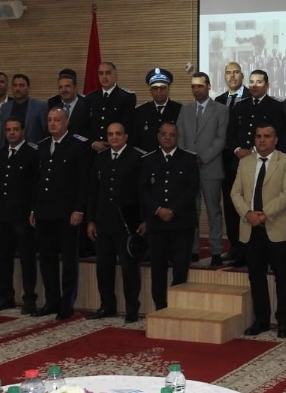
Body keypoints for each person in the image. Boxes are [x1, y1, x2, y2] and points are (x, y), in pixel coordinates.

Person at [231, 124, 286, 337]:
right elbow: (235, 193)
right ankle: (261, 320)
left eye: (267, 136)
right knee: (256, 276)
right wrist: (247, 213)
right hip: (250, 227)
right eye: (258, 136)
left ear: (275, 140)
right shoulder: (245, 162)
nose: (262, 140)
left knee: (283, 276)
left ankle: (283, 321)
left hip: (277, 227)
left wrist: (263, 214)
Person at [223, 69, 286, 267]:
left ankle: (262, 249)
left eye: (259, 82)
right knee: (235, 206)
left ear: (267, 85)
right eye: (251, 82)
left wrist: (254, 152)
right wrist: (237, 150)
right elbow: (230, 133)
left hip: (265, 164)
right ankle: (237, 248)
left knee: (260, 203)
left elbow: (278, 135)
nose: (254, 85)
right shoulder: (239, 106)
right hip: (239, 162)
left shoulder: (276, 106)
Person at [32, 107, 91, 319]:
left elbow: (84, 181)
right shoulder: (42, 146)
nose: (52, 123)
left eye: (57, 120)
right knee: (46, 259)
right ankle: (51, 301)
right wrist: (34, 208)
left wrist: (79, 209)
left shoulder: (78, 145)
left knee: (68, 260)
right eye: (49, 120)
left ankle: (67, 303)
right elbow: (37, 181)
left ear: (66, 122)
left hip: (67, 213)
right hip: (44, 212)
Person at [86, 123, 144, 322]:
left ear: (126, 136)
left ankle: (132, 308)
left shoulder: (136, 157)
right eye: (110, 134)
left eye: (118, 134)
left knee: (129, 268)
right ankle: (107, 305)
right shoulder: (100, 158)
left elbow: (142, 192)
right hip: (103, 221)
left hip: (126, 223)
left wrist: (143, 220)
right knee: (104, 267)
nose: (114, 137)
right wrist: (91, 220)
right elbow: (93, 191)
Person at [142, 121, 199, 310]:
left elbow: (192, 190)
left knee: (180, 269)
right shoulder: (148, 160)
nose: (167, 138)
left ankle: (177, 308)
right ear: (158, 136)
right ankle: (160, 308)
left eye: (172, 135)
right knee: (158, 270)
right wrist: (158, 209)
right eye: (164, 134)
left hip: (181, 223)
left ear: (177, 137)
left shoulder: (189, 159)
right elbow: (143, 190)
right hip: (157, 224)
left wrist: (172, 209)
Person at [176, 73, 228, 265]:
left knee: (214, 211)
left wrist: (203, 157)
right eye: (193, 86)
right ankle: (193, 249)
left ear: (208, 86)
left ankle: (216, 251)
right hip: (189, 168)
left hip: (211, 167)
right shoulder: (185, 109)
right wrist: (187, 158)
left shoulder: (221, 110)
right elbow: (180, 136)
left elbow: (221, 139)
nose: (196, 89)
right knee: (191, 210)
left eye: (199, 86)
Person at [0, 117, 40, 313]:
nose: (12, 133)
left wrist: (33, 210)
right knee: (2, 258)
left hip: (22, 215)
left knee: (27, 259)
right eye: (9, 130)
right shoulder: (0, 154)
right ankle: (6, 296)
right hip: (2, 215)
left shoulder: (32, 153)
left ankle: (29, 298)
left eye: (15, 129)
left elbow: (36, 185)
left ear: (23, 131)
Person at [82, 61, 136, 148]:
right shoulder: (90, 98)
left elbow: (128, 127)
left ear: (116, 76)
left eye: (108, 73)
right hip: (93, 148)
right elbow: (84, 126)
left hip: (116, 148)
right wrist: (93, 143)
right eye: (101, 73)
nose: (104, 77)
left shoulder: (126, 97)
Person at [132, 68, 182, 152]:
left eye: (163, 87)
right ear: (150, 91)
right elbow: (135, 140)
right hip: (147, 157)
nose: (159, 91)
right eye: (155, 88)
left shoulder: (180, 109)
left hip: (174, 157)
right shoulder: (140, 111)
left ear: (168, 89)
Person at [0, 73, 48, 144]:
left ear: (29, 88)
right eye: (15, 85)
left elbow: (46, 132)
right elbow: (3, 133)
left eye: (21, 85)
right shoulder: (5, 107)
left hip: (33, 148)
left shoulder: (40, 106)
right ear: (11, 88)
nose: (17, 89)